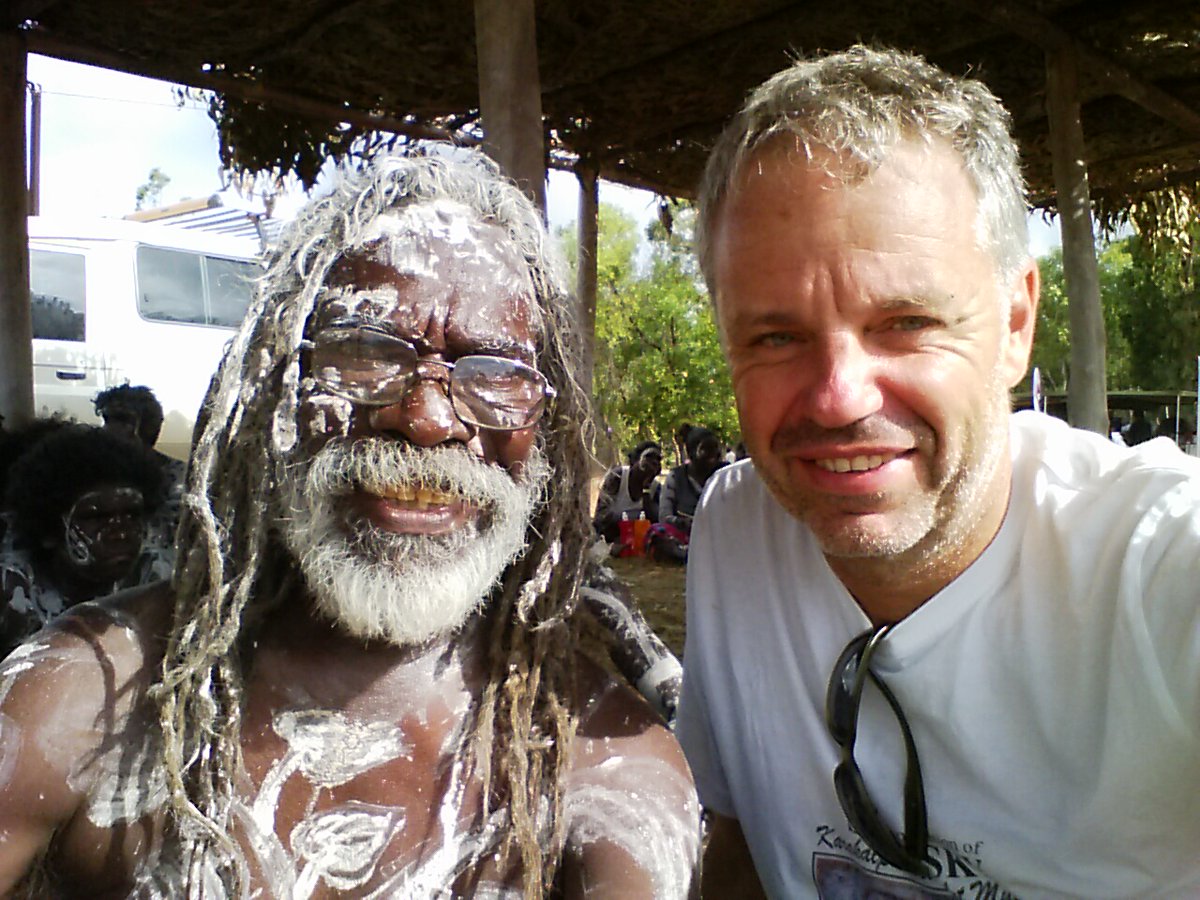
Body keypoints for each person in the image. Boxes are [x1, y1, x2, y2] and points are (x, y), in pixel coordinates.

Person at [0, 152, 699, 897]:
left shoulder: (608, 774)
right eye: (364, 355)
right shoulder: (85, 699)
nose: (427, 421)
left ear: (548, 430)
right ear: (277, 388)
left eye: (494, 373)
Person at [676, 45, 1200, 898]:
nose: (839, 397)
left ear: (1015, 324)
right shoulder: (739, 530)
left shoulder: (1157, 562)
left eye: (906, 321)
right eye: (775, 336)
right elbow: (733, 849)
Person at [0, 423, 166, 656]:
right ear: (49, 532)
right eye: (96, 517)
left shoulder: (157, 580)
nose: (120, 533)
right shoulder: (12, 594)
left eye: (131, 514)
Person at [94, 383, 188, 551]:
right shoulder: (97, 471)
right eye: (107, 419)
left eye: (122, 420)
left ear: (149, 427)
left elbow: (167, 540)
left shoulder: (179, 476)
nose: (109, 428)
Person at [593, 440, 663, 547]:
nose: (654, 463)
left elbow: (657, 521)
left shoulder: (655, 488)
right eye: (649, 457)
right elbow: (601, 517)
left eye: (658, 460)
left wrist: (646, 490)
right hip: (610, 536)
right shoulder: (618, 477)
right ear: (634, 461)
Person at [659, 426, 725, 534]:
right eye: (705, 449)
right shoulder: (675, 477)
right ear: (691, 453)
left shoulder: (726, 475)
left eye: (715, 448)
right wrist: (681, 522)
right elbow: (664, 516)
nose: (713, 455)